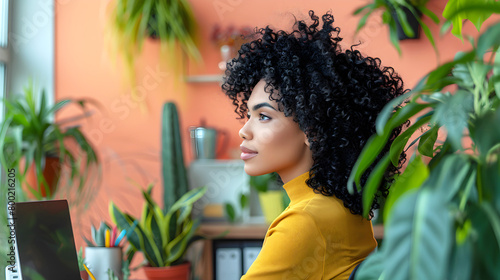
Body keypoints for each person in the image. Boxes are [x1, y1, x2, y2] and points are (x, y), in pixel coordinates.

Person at [221, 10, 407, 280]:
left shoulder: (303, 222)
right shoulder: (339, 208)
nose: (243, 131)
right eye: (248, 115)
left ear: (312, 129)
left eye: (263, 116)